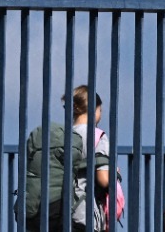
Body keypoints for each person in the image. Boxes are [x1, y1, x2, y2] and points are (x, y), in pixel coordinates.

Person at [70, 87, 121, 232]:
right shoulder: (97, 136)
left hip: (57, 211)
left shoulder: (62, 135)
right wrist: (115, 173)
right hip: (83, 213)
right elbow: (103, 179)